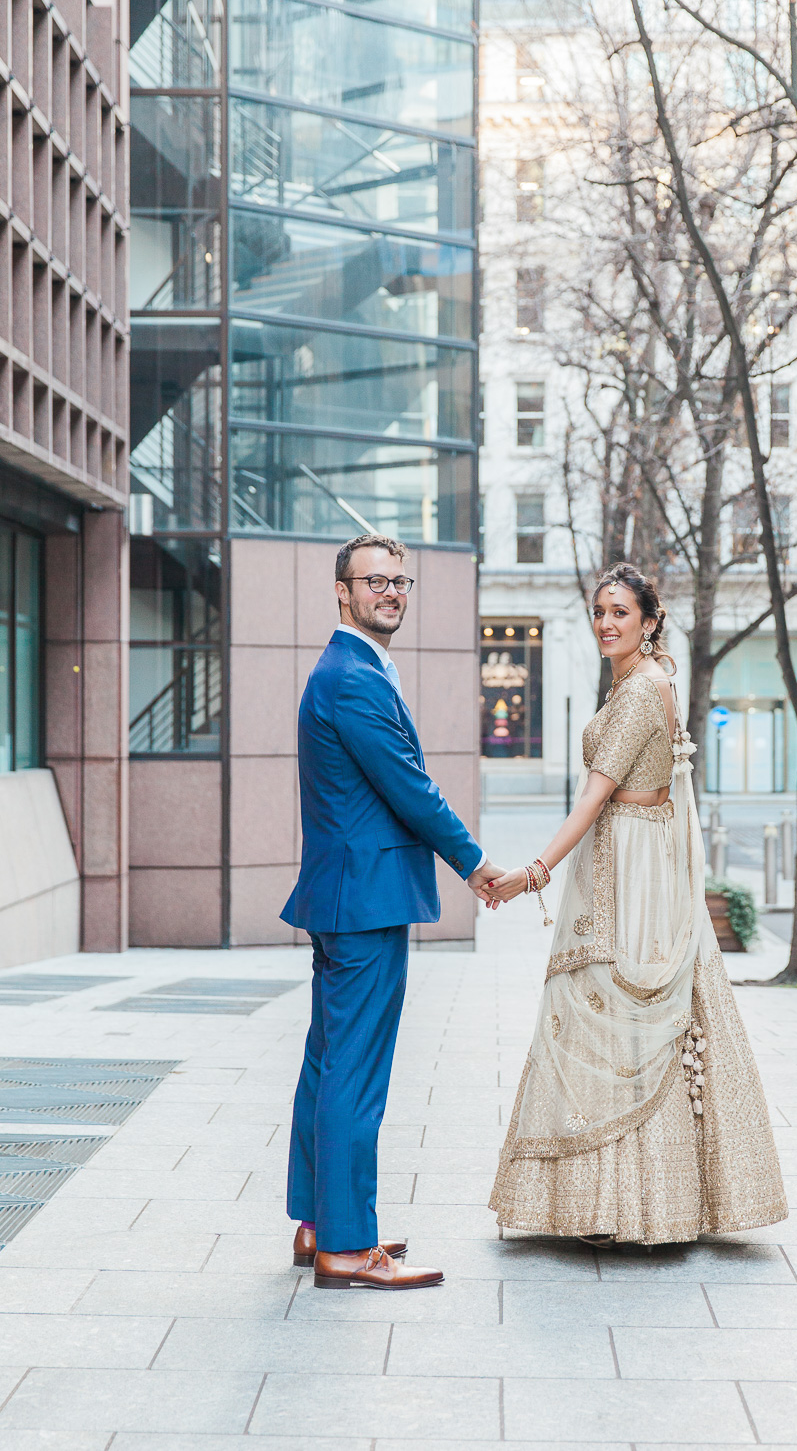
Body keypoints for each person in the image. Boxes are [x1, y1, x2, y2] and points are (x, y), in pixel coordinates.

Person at [486, 563, 787, 1245]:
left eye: (620, 612)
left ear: (650, 621)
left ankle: (623, 1205)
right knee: (614, 1015)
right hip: (632, 855)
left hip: (630, 868)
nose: (606, 623)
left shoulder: (640, 693)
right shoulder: (646, 682)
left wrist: (534, 872)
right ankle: (624, 1199)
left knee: (614, 1012)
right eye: (599, 611)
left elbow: (595, 795)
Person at [281, 533, 505, 1290]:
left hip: (350, 895)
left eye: (400, 581)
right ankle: (348, 1246)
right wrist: (474, 863)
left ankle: (321, 1224)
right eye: (374, 580)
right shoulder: (352, 677)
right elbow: (408, 785)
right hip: (364, 900)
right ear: (341, 592)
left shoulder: (355, 669)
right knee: (355, 1073)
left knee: (329, 1063)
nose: (390, 592)